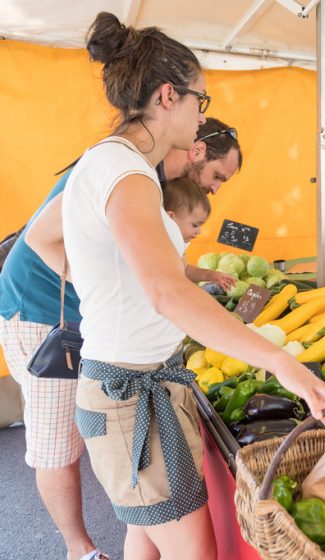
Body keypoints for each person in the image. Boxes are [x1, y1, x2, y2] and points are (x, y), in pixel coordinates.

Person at [51, 12, 325, 559]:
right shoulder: (126, 174)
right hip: (132, 394)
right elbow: (169, 293)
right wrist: (283, 365)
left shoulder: (112, 164)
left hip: (131, 382)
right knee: (194, 552)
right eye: (203, 100)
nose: (204, 115)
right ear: (169, 96)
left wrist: (109, 295)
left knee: (145, 533)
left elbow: (54, 244)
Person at [0, 121, 241, 559]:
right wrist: (98, 291)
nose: (216, 189)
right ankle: (80, 550)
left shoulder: (151, 182)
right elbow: (39, 237)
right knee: (58, 444)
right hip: (42, 309)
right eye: (218, 176)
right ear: (196, 150)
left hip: (93, 326)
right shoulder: (119, 168)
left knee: (132, 481)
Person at [162, 177, 235, 289]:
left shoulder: (179, 243)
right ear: (170, 217)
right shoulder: (161, 245)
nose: (199, 231)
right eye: (195, 225)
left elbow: (184, 270)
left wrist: (209, 275)